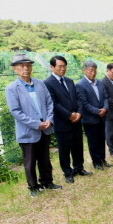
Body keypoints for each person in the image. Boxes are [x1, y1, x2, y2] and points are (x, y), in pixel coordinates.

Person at [5, 54, 62, 196]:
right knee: (30, 162)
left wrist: (49, 120)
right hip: (28, 131)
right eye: (21, 66)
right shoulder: (12, 88)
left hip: (45, 128)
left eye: (28, 65)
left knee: (44, 158)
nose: (26, 68)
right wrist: (36, 124)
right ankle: (33, 187)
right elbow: (16, 111)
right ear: (14, 69)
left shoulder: (40, 84)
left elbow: (49, 103)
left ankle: (47, 182)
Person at [45, 55, 92, 184]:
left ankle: (79, 168)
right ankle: (68, 172)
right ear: (52, 67)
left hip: (76, 120)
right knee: (64, 149)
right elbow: (54, 103)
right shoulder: (48, 83)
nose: (62, 69)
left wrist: (78, 113)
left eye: (64, 66)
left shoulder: (69, 81)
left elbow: (78, 99)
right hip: (62, 122)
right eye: (59, 66)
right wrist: (69, 115)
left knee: (78, 146)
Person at [76, 61, 111, 170]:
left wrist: (105, 108)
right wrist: (97, 111)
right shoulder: (80, 85)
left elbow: (105, 97)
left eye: (95, 70)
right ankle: (96, 162)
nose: (93, 73)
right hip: (90, 119)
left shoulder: (99, 83)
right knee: (93, 141)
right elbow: (84, 103)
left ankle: (102, 159)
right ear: (85, 70)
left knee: (101, 139)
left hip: (101, 117)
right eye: (91, 70)